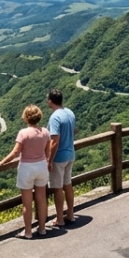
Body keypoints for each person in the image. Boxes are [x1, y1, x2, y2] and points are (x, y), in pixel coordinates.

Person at [0, 105, 53, 238]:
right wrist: (47, 162)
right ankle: (42, 229)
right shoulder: (45, 132)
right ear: (39, 116)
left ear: (26, 117)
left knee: (27, 202)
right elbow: (47, 152)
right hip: (42, 166)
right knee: (42, 199)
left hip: (27, 168)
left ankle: (28, 232)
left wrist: (1, 163)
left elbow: (16, 152)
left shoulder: (23, 133)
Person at [46, 89, 77, 226]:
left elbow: (55, 141)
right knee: (67, 185)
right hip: (70, 154)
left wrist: (49, 160)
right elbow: (73, 131)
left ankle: (59, 219)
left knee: (57, 188)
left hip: (59, 158)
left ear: (50, 101)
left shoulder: (55, 117)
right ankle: (70, 214)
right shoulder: (69, 112)